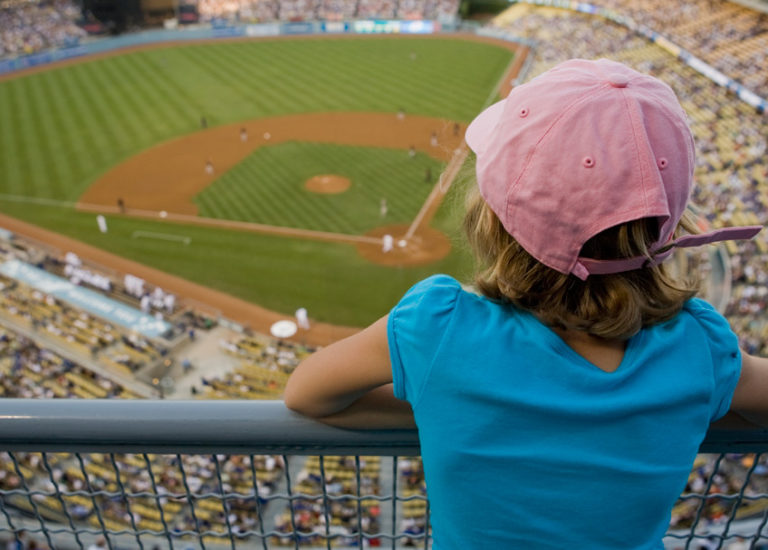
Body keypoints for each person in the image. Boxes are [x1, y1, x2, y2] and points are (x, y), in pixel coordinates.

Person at [284, 59, 768, 549]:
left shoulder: (438, 327)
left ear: (494, 220)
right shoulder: (699, 351)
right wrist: (688, 406)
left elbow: (307, 393)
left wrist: (447, 403)